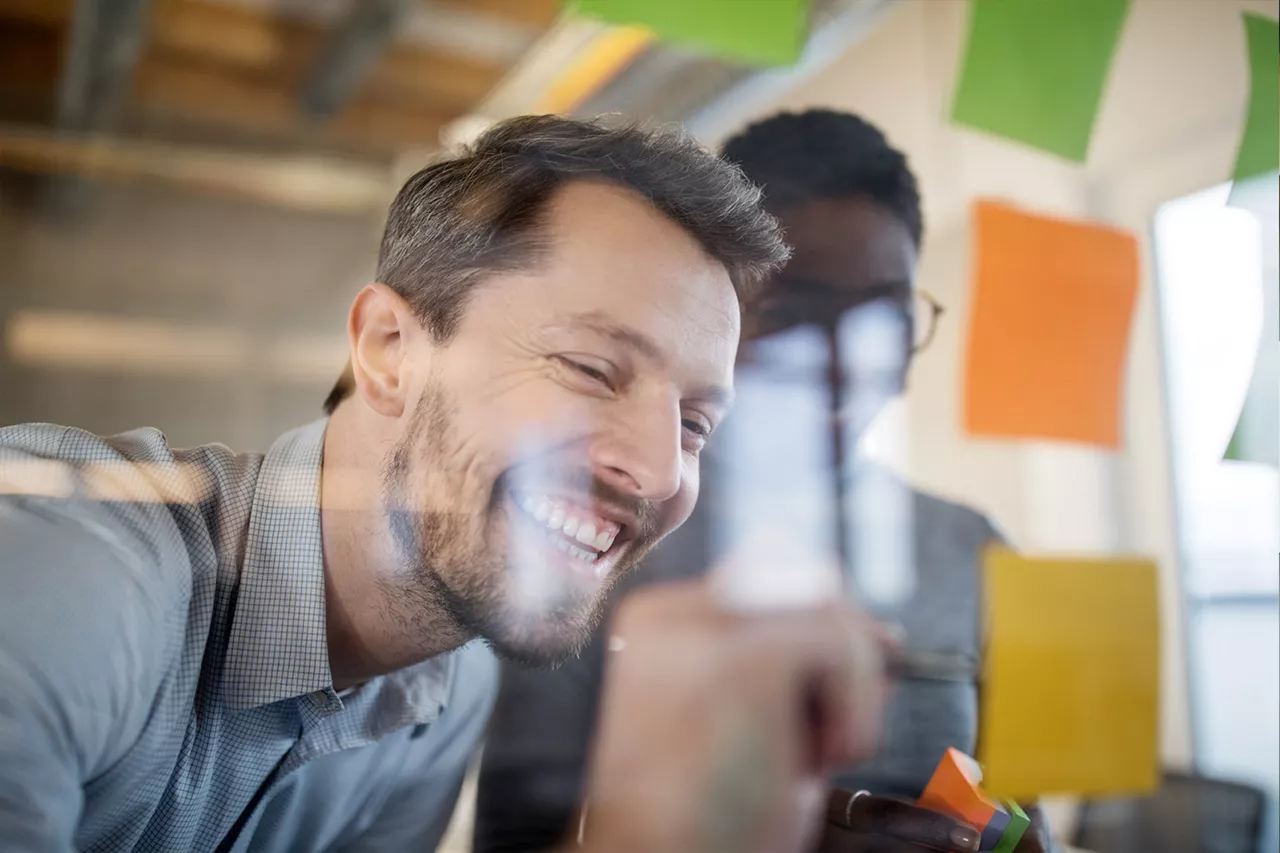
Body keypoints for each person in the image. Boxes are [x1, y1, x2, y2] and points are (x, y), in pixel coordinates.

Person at [0, 115, 911, 852]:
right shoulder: (63, 568)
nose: (660, 469)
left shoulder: (445, 676)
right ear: (391, 352)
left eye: (696, 423)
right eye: (592, 369)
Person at [474, 110, 1056, 853]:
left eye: (885, 315)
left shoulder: (976, 553)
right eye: (794, 311)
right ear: (715, 318)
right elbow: (512, 839)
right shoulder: (599, 532)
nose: (846, 364)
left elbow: (1023, 818)